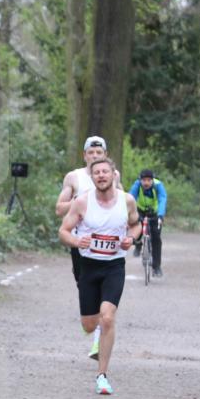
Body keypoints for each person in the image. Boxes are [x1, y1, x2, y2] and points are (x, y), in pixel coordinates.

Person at [58, 157, 140, 396]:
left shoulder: (127, 201)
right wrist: (76, 240)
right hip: (89, 267)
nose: (101, 175)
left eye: (106, 171)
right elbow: (63, 231)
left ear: (114, 175)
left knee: (107, 317)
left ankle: (102, 376)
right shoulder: (82, 202)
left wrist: (131, 238)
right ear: (92, 178)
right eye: (97, 173)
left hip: (114, 266)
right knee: (89, 324)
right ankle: (95, 332)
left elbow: (136, 225)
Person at [54, 135, 122, 361]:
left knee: (107, 300)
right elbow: (59, 208)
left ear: (105, 155)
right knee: (85, 290)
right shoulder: (73, 177)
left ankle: (98, 342)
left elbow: (120, 202)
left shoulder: (113, 176)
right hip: (80, 244)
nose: (95, 156)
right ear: (84, 156)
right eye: (90, 153)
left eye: (99, 153)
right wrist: (82, 202)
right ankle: (94, 326)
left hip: (108, 248)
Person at [129, 168, 167, 277]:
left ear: (153, 180)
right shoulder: (137, 185)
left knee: (156, 239)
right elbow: (131, 198)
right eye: (144, 180)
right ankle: (138, 244)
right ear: (140, 180)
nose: (146, 183)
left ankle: (156, 267)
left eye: (149, 180)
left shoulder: (158, 186)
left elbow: (162, 199)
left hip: (155, 213)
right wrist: (129, 213)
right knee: (137, 225)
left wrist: (160, 215)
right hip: (140, 210)